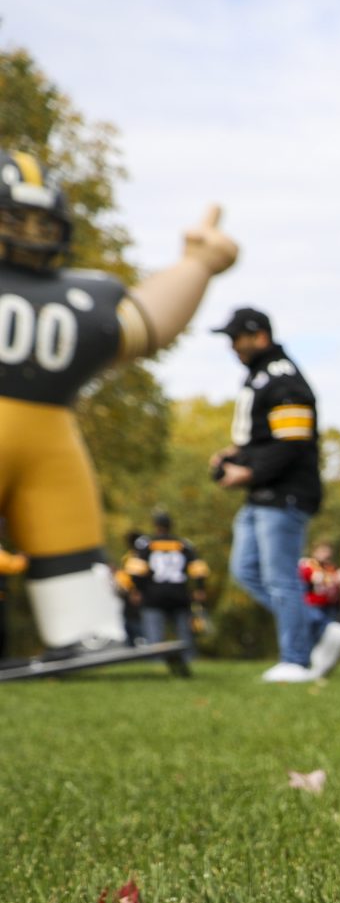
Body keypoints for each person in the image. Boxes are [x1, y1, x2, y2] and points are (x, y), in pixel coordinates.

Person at [1, 153, 235, 658]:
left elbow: (143, 322)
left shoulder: (82, 295)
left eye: (43, 222)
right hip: (46, 435)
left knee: (65, 530)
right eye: (15, 220)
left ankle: (83, 629)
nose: (31, 233)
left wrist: (197, 265)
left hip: (51, 444)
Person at [209, 308, 340, 680]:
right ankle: (319, 628)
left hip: (285, 494)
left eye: (236, 338)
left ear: (259, 336)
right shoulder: (261, 378)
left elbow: (292, 442)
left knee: (281, 577)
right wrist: (234, 455)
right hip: (262, 495)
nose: (232, 347)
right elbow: (267, 438)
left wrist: (249, 470)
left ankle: (297, 660)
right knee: (246, 570)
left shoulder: (285, 380)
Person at [133, 512, 208, 656]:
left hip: (153, 596)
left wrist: (137, 590)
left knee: (154, 637)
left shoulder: (147, 545)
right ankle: (189, 660)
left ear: (156, 526)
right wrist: (200, 588)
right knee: (185, 635)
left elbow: (137, 570)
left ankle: (157, 664)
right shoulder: (183, 544)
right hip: (179, 594)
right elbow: (199, 569)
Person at [298, 541, 340, 658]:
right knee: (312, 630)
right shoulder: (308, 564)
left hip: (329, 604)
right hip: (312, 603)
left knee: (326, 632)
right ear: (315, 552)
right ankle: (307, 656)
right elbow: (304, 580)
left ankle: (322, 656)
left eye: (328, 552)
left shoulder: (331, 567)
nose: (326, 555)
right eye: (323, 551)